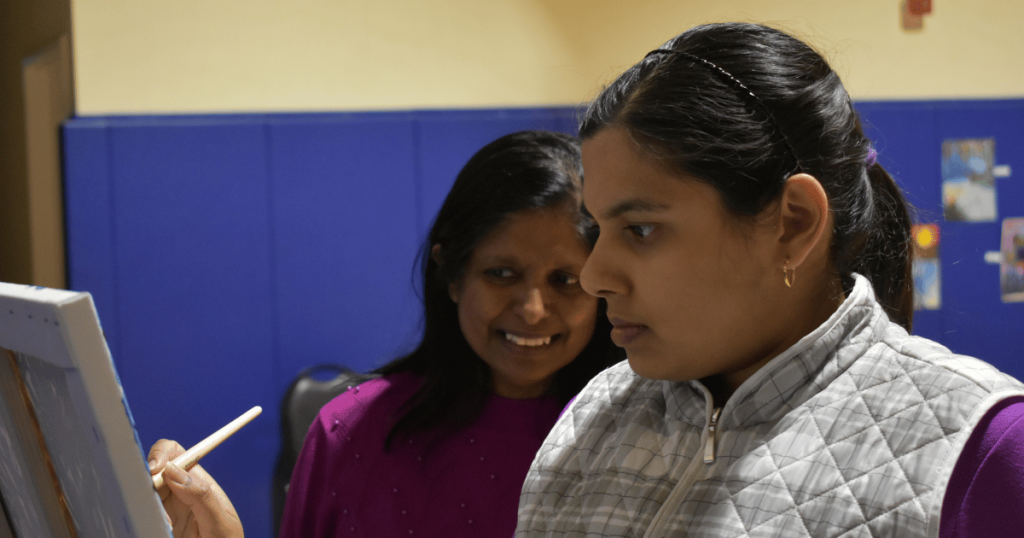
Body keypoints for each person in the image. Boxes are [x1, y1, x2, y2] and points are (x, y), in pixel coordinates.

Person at [514, 23, 1024, 537]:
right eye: (597, 228)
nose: (595, 275)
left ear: (794, 222)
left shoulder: (981, 447)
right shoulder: (592, 417)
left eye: (640, 229)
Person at [147, 130, 623, 538]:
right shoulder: (351, 431)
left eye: (565, 280)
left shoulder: (646, 433)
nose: (533, 309)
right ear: (452, 275)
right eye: (501, 274)